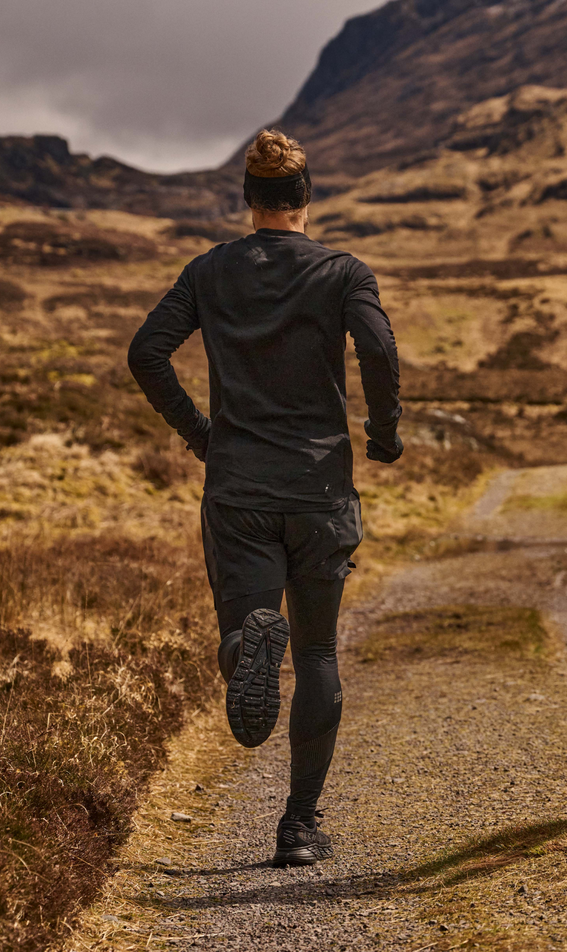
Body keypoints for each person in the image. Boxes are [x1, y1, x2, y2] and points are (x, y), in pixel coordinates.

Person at [129, 129, 403, 864]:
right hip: (319, 488)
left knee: (247, 625)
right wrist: (382, 432)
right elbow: (376, 349)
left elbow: (146, 352)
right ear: (307, 198)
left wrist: (201, 436)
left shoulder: (207, 272)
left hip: (238, 485)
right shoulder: (344, 272)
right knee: (315, 649)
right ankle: (299, 826)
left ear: (248, 200)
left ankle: (243, 648)